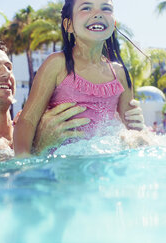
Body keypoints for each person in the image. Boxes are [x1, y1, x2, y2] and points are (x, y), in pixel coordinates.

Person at [0, 39, 145, 163]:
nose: (6, 74)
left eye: (9, 67)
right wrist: (38, 149)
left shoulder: (36, 128)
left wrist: (125, 125)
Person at [14, 0, 146, 157]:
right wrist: (24, 163)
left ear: (114, 23)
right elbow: (27, 120)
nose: (98, 14)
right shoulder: (57, 64)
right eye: (86, 8)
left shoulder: (119, 73)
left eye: (106, 8)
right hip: (62, 165)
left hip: (104, 163)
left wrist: (138, 129)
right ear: (68, 24)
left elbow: (131, 128)